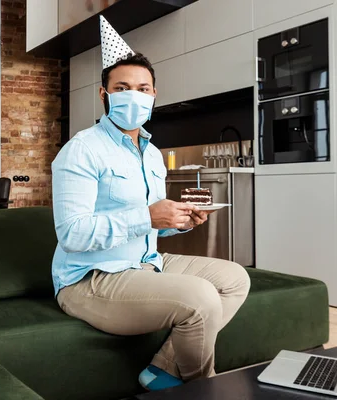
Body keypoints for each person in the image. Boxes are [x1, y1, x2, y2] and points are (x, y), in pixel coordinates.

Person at [50, 16, 251, 391]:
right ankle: (202, 390)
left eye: (143, 88)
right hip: (90, 278)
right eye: (122, 87)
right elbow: (72, 234)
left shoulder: (153, 154)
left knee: (234, 279)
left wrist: (179, 222)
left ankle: (164, 370)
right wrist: (146, 216)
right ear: (104, 94)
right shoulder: (81, 150)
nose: (134, 95)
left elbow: (151, 224)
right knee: (201, 298)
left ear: (154, 95)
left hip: (144, 263)